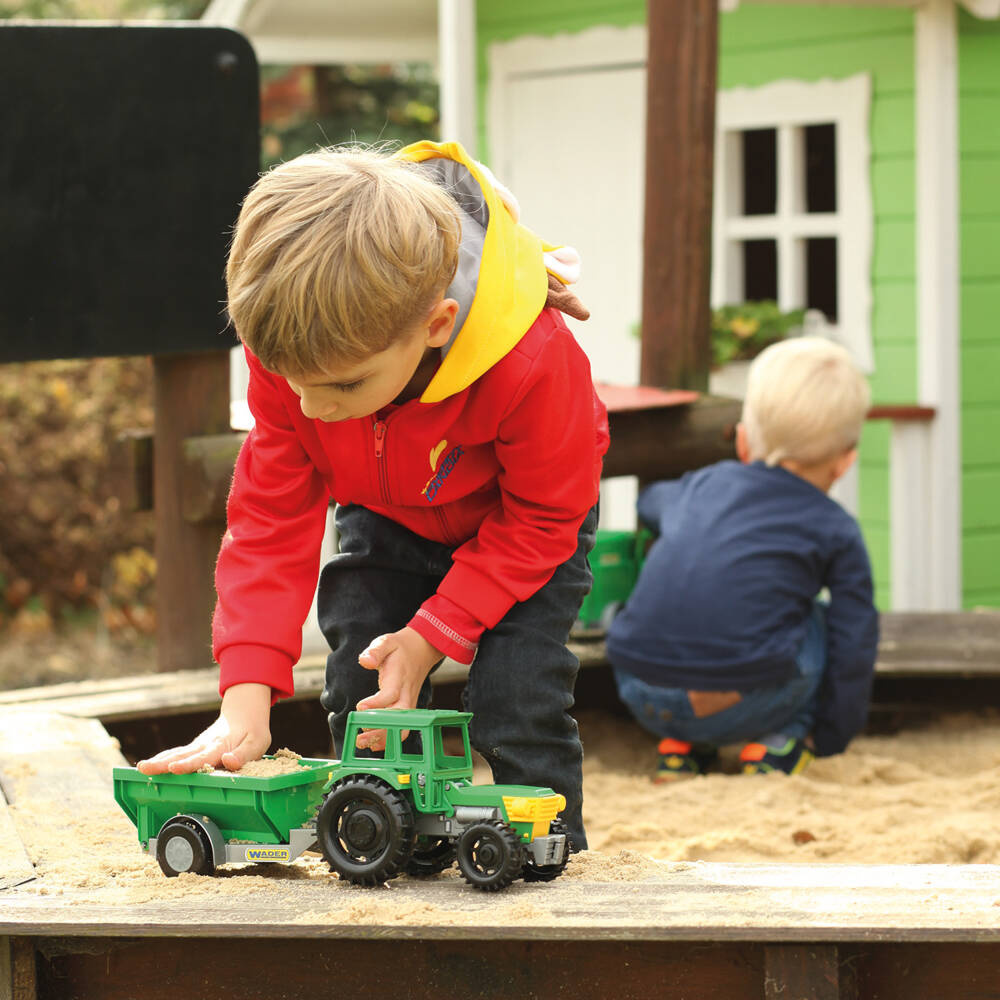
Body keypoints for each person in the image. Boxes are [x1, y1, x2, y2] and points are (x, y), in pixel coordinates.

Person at [137, 140, 609, 849]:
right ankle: (379, 843)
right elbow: (269, 523)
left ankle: (546, 857)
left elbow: (545, 517)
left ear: (435, 326)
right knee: (361, 676)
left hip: (522, 530)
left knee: (517, 696)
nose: (315, 409)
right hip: (386, 513)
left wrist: (433, 634)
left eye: (345, 387)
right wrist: (245, 702)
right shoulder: (300, 352)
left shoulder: (533, 361)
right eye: (291, 382)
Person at [606, 337, 878, 781]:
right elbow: (855, 642)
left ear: (743, 442)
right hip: (747, 702)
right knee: (822, 620)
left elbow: (651, 502)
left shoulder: (701, 488)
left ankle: (681, 749)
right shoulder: (835, 528)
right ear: (844, 463)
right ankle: (778, 744)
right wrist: (830, 736)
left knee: (711, 609)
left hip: (639, 691)